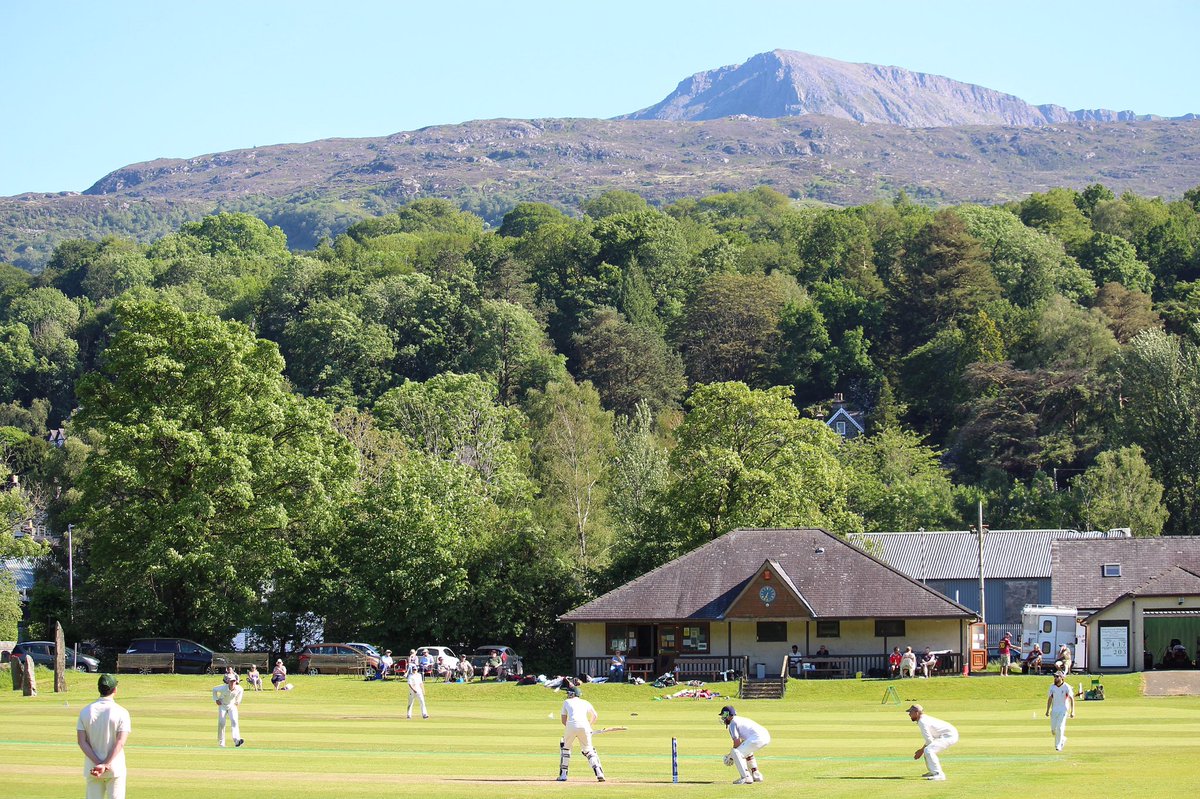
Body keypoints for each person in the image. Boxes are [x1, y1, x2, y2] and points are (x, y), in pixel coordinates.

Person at [76, 674, 131, 799]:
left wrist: (99, 764)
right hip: (115, 767)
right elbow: (120, 742)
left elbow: (81, 742)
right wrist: (105, 765)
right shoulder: (122, 712)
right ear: (115, 689)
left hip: (93, 768)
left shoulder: (85, 711)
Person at [558, 684, 605, 782]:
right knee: (588, 750)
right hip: (585, 726)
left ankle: (563, 775)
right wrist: (589, 726)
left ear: (573, 694)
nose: (568, 694)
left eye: (569, 692)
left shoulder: (566, 702)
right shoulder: (586, 702)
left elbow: (563, 720)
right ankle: (599, 774)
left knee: (565, 748)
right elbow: (595, 715)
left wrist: (571, 728)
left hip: (570, 725)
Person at [719, 705, 770, 784]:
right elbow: (743, 743)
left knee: (735, 752)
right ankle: (757, 775)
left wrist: (730, 756)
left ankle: (746, 777)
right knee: (745, 751)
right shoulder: (741, 719)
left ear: (727, 714)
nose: (723, 718)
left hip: (757, 738)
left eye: (723, 715)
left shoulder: (733, 723)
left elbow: (737, 743)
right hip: (766, 736)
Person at [907, 703, 957, 781]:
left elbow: (929, 741)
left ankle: (939, 774)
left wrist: (921, 750)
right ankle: (933, 771)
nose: (909, 714)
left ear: (917, 713)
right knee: (928, 749)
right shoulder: (923, 719)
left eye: (910, 712)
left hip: (949, 736)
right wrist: (922, 750)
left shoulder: (922, 722)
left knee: (929, 750)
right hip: (946, 734)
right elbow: (929, 741)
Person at [212, 672, 245, 748]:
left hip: (232, 706)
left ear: (236, 681)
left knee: (234, 721)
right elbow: (214, 689)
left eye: (234, 681)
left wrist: (238, 701)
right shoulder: (223, 687)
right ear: (228, 682)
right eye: (231, 681)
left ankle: (237, 740)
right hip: (222, 705)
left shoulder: (239, 688)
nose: (232, 683)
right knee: (221, 723)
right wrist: (216, 699)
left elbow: (241, 691)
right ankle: (221, 743)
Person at [1045, 670, 1075, 751]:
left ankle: (1058, 745)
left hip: (1063, 709)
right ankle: (1063, 738)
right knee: (1054, 731)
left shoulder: (1066, 687)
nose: (1055, 678)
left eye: (1057, 677)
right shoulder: (1052, 687)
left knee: (1060, 728)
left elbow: (1071, 698)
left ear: (1062, 678)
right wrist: (1047, 710)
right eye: (1054, 677)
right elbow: (1050, 699)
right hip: (1054, 710)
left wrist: (1072, 711)